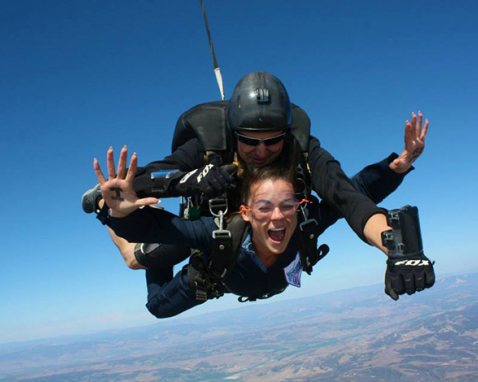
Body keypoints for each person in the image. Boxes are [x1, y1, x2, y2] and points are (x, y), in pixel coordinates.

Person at [84, 71, 429, 273]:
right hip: (214, 225)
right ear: (234, 134)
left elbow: (346, 196)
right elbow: (145, 178)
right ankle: (119, 225)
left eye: (273, 141)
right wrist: (194, 179)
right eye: (250, 142)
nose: (262, 152)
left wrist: (395, 246)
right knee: (140, 268)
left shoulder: (302, 149)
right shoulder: (209, 145)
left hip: (265, 225)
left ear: (286, 134)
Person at [93, 147, 435, 318]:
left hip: (241, 273)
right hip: (210, 275)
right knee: (146, 282)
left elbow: (353, 193)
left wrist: (396, 167)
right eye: (264, 208)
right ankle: (115, 215)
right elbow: (164, 229)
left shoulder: (305, 222)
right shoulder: (218, 232)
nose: (277, 218)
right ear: (247, 212)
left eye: (287, 205)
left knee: (163, 239)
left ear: (298, 204)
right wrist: (118, 215)